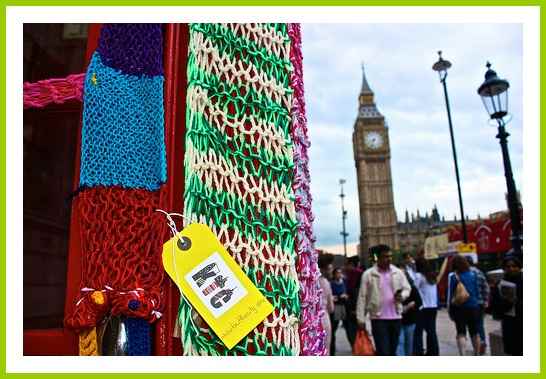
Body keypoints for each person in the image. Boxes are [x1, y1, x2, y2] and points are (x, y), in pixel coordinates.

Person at [356, 244, 411, 356]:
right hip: (378, 318)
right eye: (385, 256)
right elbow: (362, 297)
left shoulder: (398, 272)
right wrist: (360, 318)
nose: (389, 259)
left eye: (390, 256)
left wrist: (402, 296)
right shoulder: (368, 274)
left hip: (396, 317)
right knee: (383, 352)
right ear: (378, 258)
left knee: (392, 351)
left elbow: (407, 288)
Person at [447, 254, 482, 355]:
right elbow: (477, 291)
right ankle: (477, 353)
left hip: (459, 307)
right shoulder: (473, 274)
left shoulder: (454, 277)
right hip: (474, 306)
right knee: (475, 332)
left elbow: (450, 294)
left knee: (461, 332)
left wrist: (449, 308)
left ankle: (462, 354)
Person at [413, 258, 448, 355]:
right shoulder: (432, 276)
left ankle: (418, 351)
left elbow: (414, 289)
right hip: (433, 306)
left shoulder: (419, 276)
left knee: (418, 331)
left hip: (423, 307)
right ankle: (433, 351)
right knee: (431, 331)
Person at [491, 253, 523, 355]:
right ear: (504, 268)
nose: (511, 269)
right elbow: (495, 308)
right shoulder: (500, 285)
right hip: (510, 324)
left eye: (514, 266)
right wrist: (508, 303)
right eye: (508, 266)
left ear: (519, 267)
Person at [396, 259, 422, 356]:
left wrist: (412, 305)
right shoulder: (392, 289)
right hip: (397, 321)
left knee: (409, 345)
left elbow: (419, 302)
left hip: (410, 321)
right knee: (400, 343)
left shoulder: (412, 288)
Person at [466, 256, 490, 355]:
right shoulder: (480, 272)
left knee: (472, 326)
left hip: (471, 304)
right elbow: (486, 288)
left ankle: (477, 346)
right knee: (480, 324)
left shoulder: (466, 274)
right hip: (480, 304)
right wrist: (485, 300)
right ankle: (483, 341)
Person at [343, 256, 363, 350]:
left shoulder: (356, 274)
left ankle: (357, 348)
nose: (345, 267)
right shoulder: (351, 274)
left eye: (347, 264)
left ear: (352, 264)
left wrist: (355, 308)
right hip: (352, 307)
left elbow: (357, 292)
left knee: (353, 332)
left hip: (353, 308)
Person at [318, 254, 335, 355]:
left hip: (311, 320)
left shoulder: (310, 281)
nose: (331, 271)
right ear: (323, 269)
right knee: (325, 350)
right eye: (329, 268)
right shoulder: (325, 283)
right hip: (324, 319)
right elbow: (331, 308)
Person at [329, 268, 348, 355]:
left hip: (343, 306)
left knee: (347, 327)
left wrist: (345, 296)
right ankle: (332, 347)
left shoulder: (344, 282)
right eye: (337, 273)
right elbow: (331, 296)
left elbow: (347, 292)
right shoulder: (331, 283)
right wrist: (335, 297)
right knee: (334, 327)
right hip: (335, 307)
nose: (339, 275)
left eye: (340, 273)